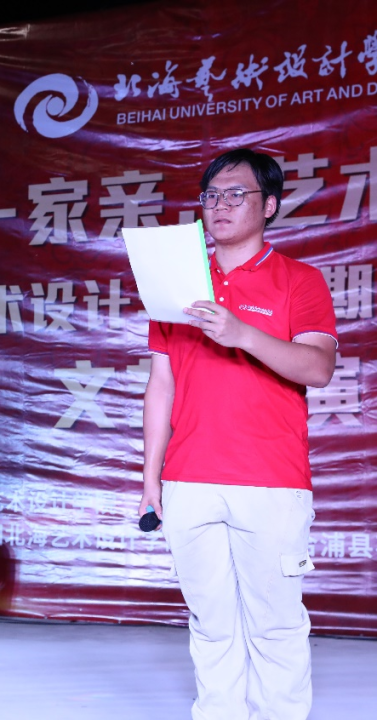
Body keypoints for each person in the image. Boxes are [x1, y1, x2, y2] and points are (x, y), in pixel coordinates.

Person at [139, 149, 337, 720]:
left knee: (275, 626)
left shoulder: (299, 280)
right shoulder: (177, 283)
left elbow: (318, 368)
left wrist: (242, 333)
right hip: (189, 479)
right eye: (211, 196)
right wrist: (151, 479)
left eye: (235, 194)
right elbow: (161, 386)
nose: (219, 205)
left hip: (271, 481)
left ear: (269, 205)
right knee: (211, 624)